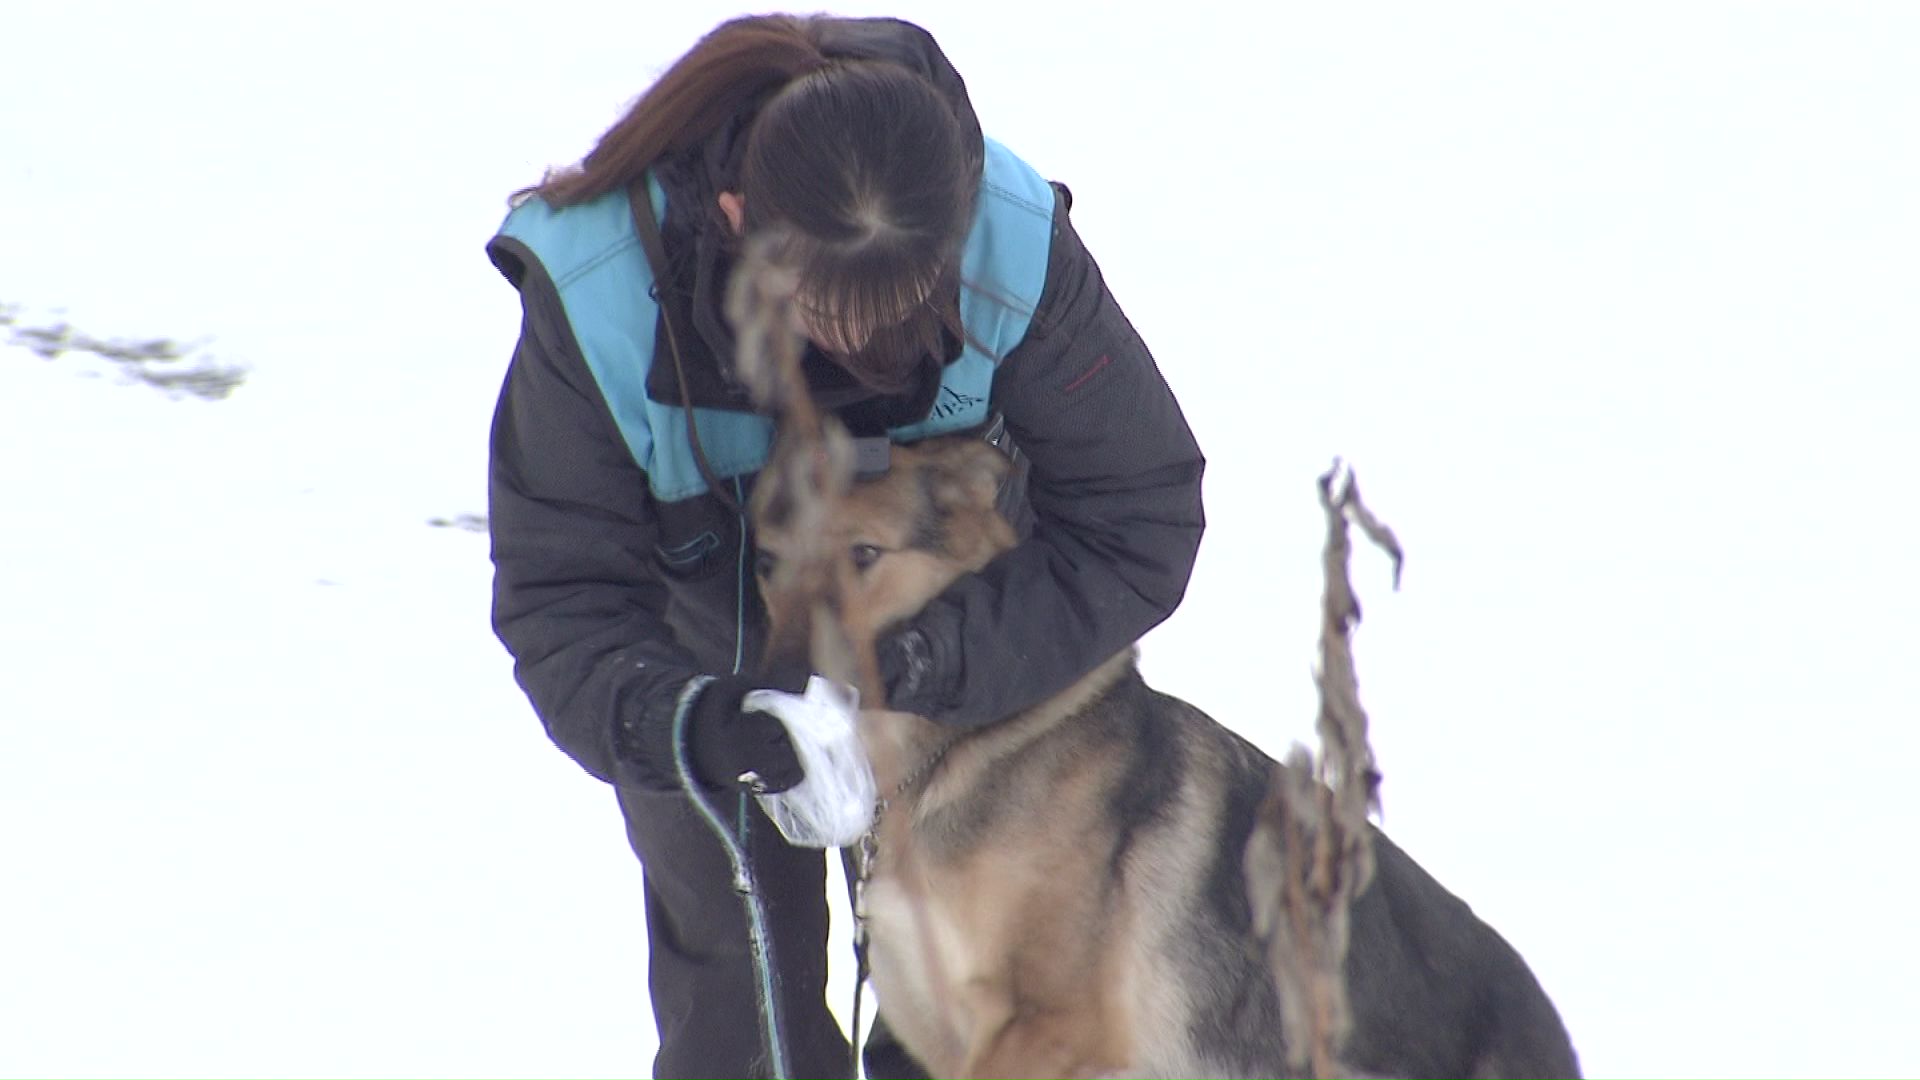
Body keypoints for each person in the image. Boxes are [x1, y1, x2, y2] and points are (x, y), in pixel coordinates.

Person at [484, 13, 1206, 1080]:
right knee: (738, 997)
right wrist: (690, 728)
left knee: (971, 990)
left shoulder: (1005, 241)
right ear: (736, 222)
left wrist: (920, 666)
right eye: (835, 313)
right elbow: (563, 596)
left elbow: (1137, 516)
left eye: (906, 307)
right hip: (703, 646)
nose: (871, 349)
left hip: (959, 640)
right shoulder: (598, 288)